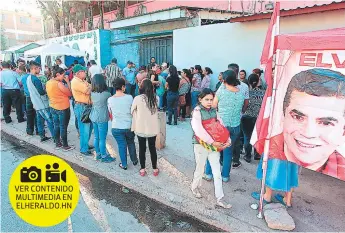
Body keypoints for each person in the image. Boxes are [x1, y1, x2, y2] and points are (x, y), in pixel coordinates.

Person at [191, 88, 231, 208]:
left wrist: (227, 139)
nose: (209, 102)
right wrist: (213, 142)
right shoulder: (197, 112)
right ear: (200, 99)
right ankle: (194, 187)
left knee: (217, 171)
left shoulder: (214, 111)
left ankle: (220, 198)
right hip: (201, 145)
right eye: (206, 99)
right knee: (200, 168)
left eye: (211, 99)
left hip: (214, 145)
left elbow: (221, 125)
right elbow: (198, 130)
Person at [204, 70, 245, 182]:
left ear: (225, 80)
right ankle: (225, 176)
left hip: (221, 127)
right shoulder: (241, 92)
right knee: (228, 152)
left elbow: (213, 106)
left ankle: (208, 174)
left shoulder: (221, 92)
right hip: (235, 126)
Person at [131, 79, 159, 177]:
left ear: (141, 87)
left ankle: (142, 169)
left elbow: (132, 110)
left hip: (140, 128)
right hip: (152, 128)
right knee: (152, 148)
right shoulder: (156, 98)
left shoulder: (137, 98)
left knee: (142, 149)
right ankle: (155, 169)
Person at [109, 78, 138, 169]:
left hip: (116, 127)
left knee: (121, 145)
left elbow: (110, 115)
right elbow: (133, 111)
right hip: (129, 126)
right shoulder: (129, 97)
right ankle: (134, 160)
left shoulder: (110, 99)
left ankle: (124, 164)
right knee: (131, 142)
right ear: (123, 87)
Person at [46, 67, 74, 151]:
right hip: (62, 107)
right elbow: (70, 93)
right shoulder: (59, 84)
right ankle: (65, 146)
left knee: (56, 125)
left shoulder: (48, 82)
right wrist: (68, 82)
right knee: (63, 127)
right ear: (57, 74)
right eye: (63, 75)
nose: (64, 77)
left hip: (53, 106)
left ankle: (58, 143)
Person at [26, 61, 55, 142]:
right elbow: (41, 92)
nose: (40, 70)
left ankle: (42, 136)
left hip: (36, 103)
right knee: (50, 120)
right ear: (34, 68)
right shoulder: (36, 79)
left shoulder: (29, 78)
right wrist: (46, 89)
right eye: (39, 68)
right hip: (42, 103)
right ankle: (56, 139)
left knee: (40, 121)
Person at [90, 74, 114, 163]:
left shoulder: (92, 92)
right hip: (102, 117)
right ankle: (104, 156)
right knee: (102, 138)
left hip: (93, 116)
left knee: (96, 137)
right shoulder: (106, 94)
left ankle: (99, 154)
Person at [71, 64, 93, 156]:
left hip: (86, 106)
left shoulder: (82, 80)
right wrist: (91, 86)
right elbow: (88, 90)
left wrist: (90, 86)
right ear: (78, 73)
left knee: (89, 127)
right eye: (84, 71)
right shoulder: (76, 81)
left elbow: (90, 86)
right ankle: (83, 149)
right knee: (84, 128)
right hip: (81, 107)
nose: (85, 72)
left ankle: (86, 145)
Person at [242, 74, 265, 162]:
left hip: (247, 117)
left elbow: (243, 105)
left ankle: (247, 156)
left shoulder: (246, 93)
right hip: (259, 118)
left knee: (247, 137)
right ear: (258, 81)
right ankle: (257, 154)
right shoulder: (263, 93)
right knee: (257, 136)